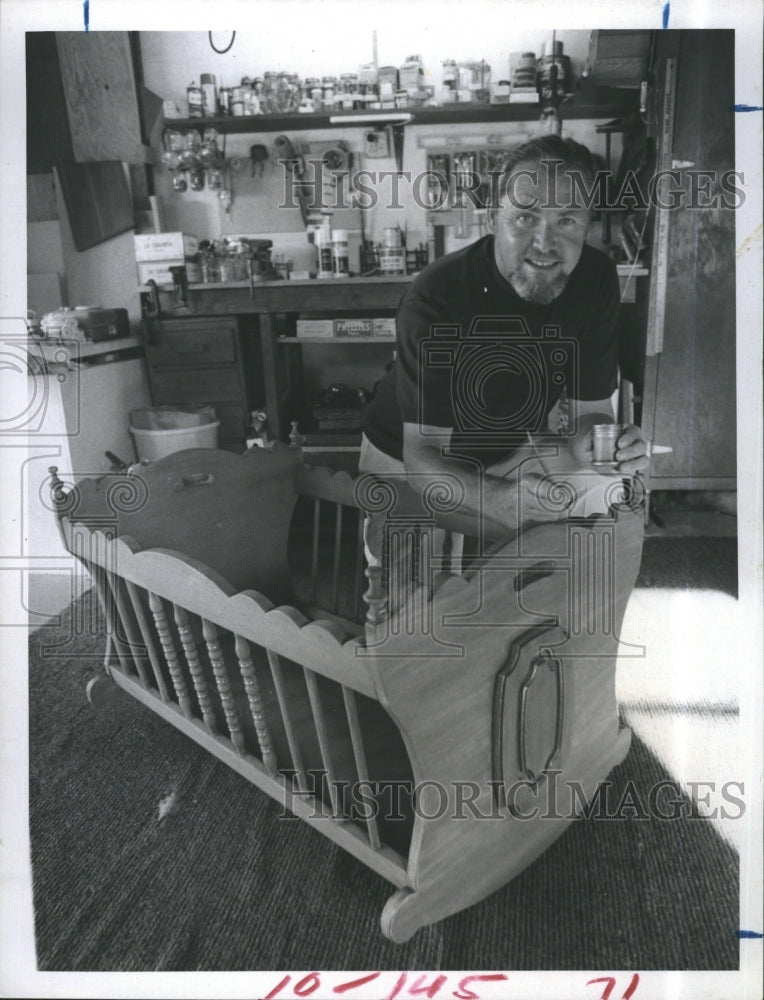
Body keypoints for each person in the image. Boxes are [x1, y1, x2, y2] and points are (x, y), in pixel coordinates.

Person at [360, 134, 650, 569]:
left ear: (588, 224)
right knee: (416, 595)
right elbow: (421, 457)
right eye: (525, 217)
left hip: (508, 449)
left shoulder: (597, 279)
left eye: (567, 221)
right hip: (408, 460)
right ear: (494, 218)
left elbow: (589, 413)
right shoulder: (437, 294)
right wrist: (498, 501)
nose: (545, 243)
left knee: (598, 507)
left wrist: (601, 445)